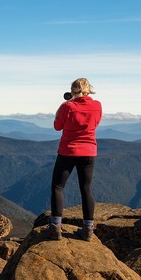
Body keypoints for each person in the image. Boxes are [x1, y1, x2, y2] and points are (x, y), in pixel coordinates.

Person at [46, 78, 102, 241]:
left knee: (57, 187)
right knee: (86, 189)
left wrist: (64, 104)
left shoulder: (67, 106)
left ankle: (56, 227)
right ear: (88, 90)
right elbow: (95, 123)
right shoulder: (97, 105)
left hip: (68, 152)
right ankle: (88, 229)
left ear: (73, 91)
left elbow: (57, 126)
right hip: (89, 152)